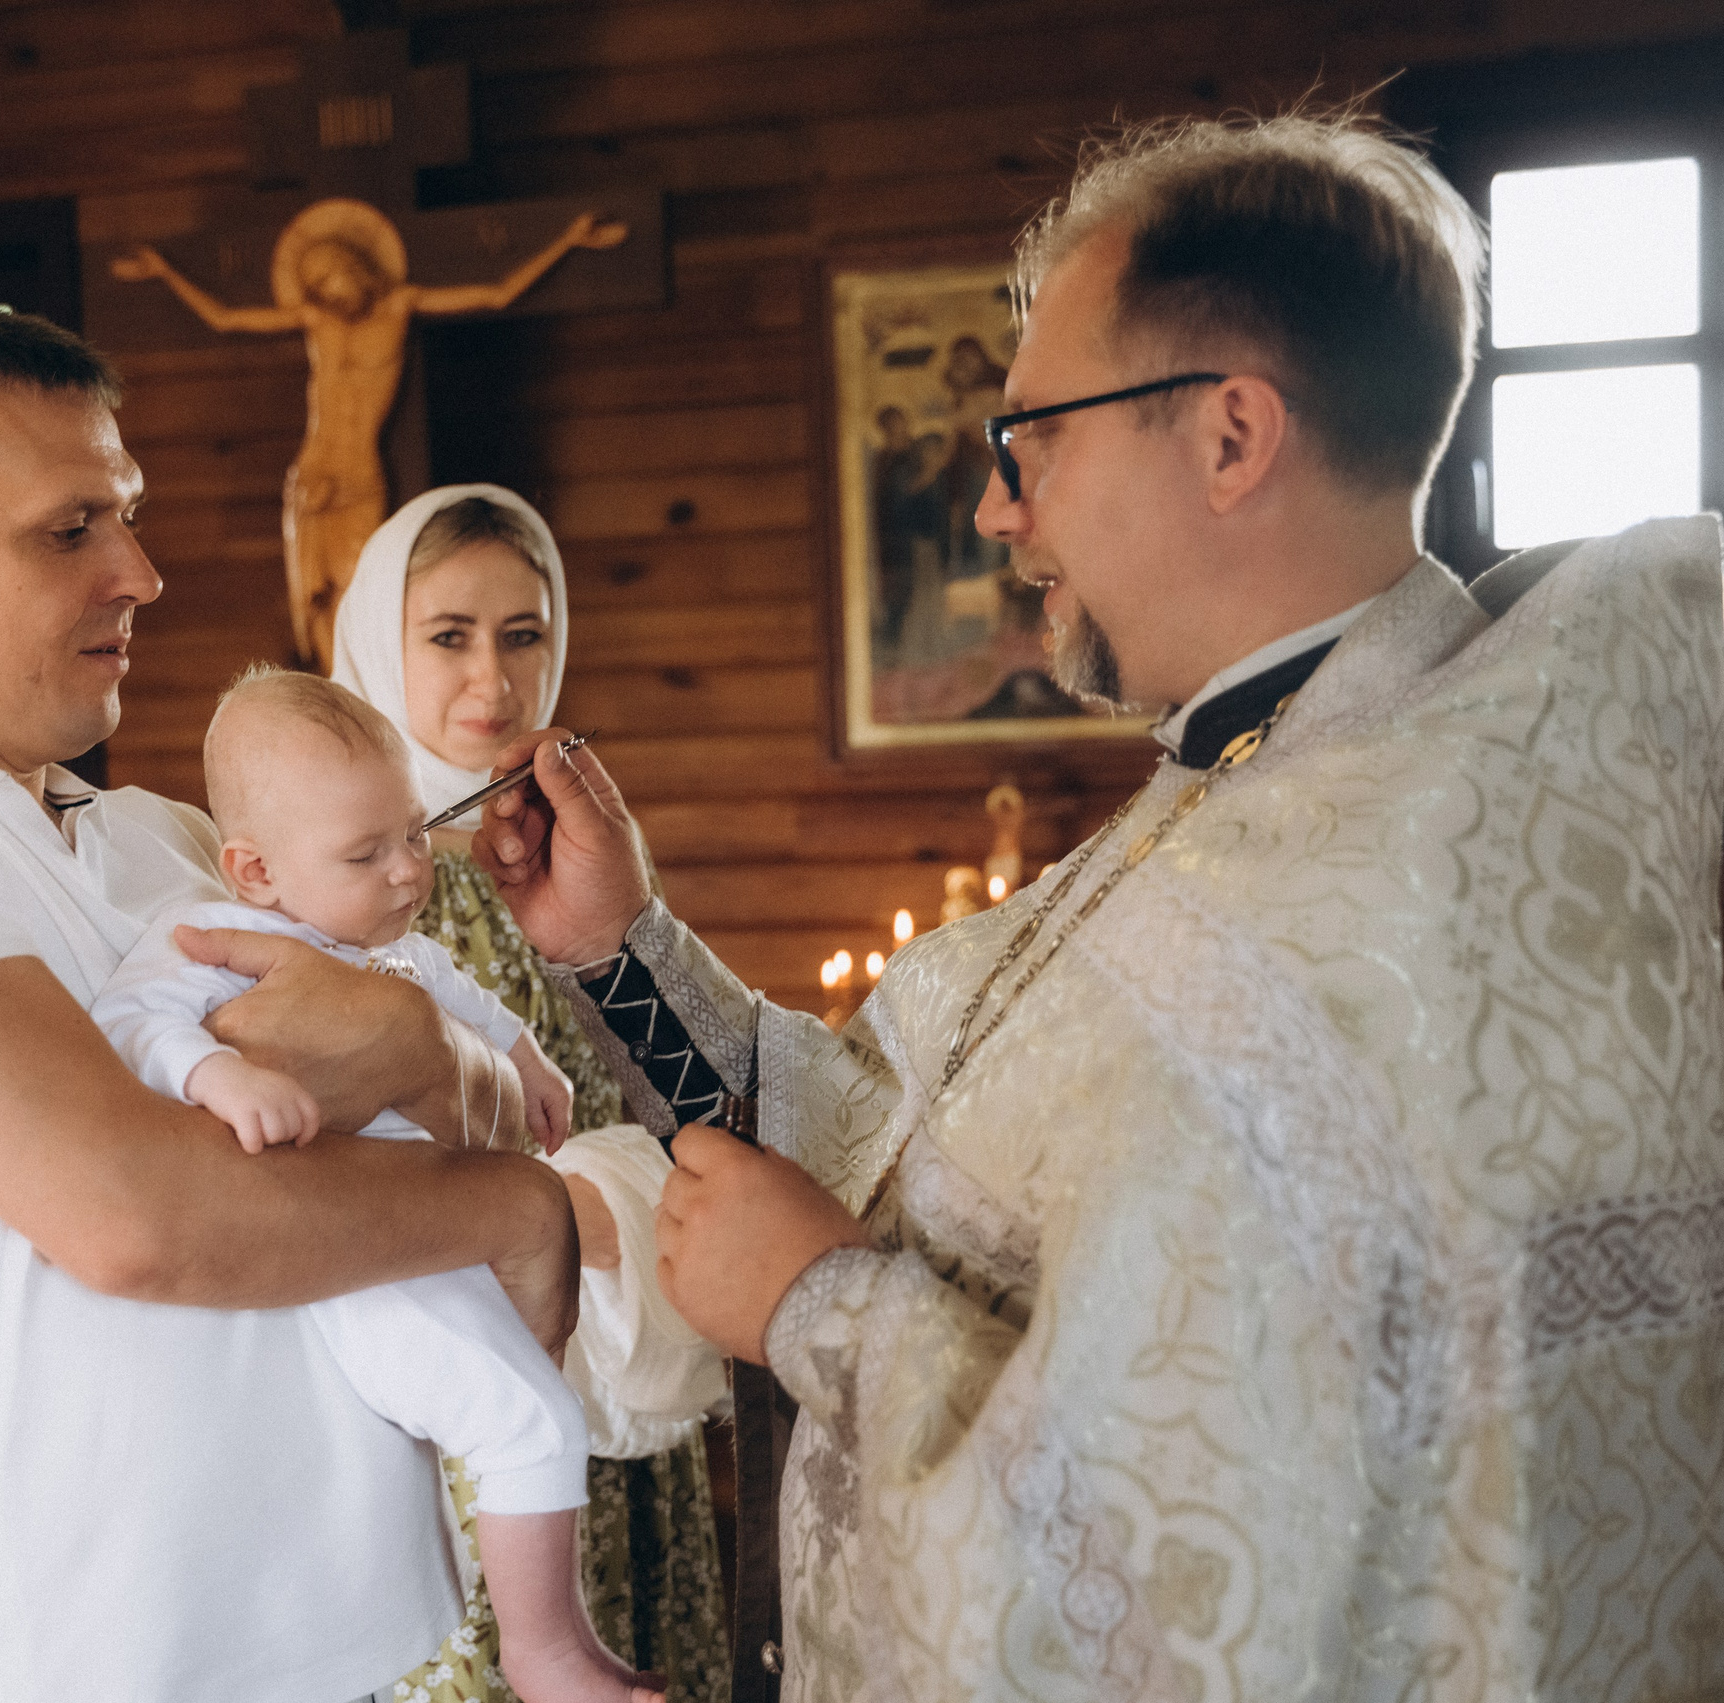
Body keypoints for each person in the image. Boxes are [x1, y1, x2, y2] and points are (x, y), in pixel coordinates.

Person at [471, 110, 1724, 1701]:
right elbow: (903, 1153)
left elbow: (1181, 1582)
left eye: (1032, 440)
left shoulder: (1381, 913)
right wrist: (616, 943)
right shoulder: (1265, 787)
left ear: (1228, 435)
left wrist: (818, 1305)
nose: (999, 511)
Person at [0, 300, 582, 1702]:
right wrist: (513, 1210)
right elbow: (135, 1212)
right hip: (99, 1658)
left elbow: (484, 1101)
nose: (141, 573)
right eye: (70, 527)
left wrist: (415, 1044)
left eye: (129, 515)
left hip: (376, 1636)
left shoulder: (170, 839)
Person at [92, 666, 660, 1703]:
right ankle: (545, 1651)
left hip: (431, 1222)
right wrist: (218, 1072)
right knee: (529, 1420)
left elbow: (467, 1002)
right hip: (352, 1252)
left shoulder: (387, 949)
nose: (409, 871)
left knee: (528, 1408)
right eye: (366, 851)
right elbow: (132, 1025)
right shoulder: (219, 941)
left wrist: (527, 1059)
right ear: (254, 869)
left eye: (409, 832)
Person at [333, 486, 731, 1703]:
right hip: (472, 1400)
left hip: (619, 1358)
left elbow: (678, 1096)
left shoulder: (574, 847)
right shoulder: (356, 892)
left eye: (525, 632)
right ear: (372, 642)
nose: (492, 677)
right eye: (448, 633)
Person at [111, 200, 626, 669]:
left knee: (361, 599)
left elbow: (497, 294)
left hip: (359, 478)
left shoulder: (401, 305)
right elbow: (225, 319)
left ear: (357, 268)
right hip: (312, 477)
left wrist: (568, 239)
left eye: (334, 277)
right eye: (318, 284)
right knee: (311, 605)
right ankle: (336, 696)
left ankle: (358, 697)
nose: (329, 291)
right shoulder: (317, 320)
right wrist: (164, 271)